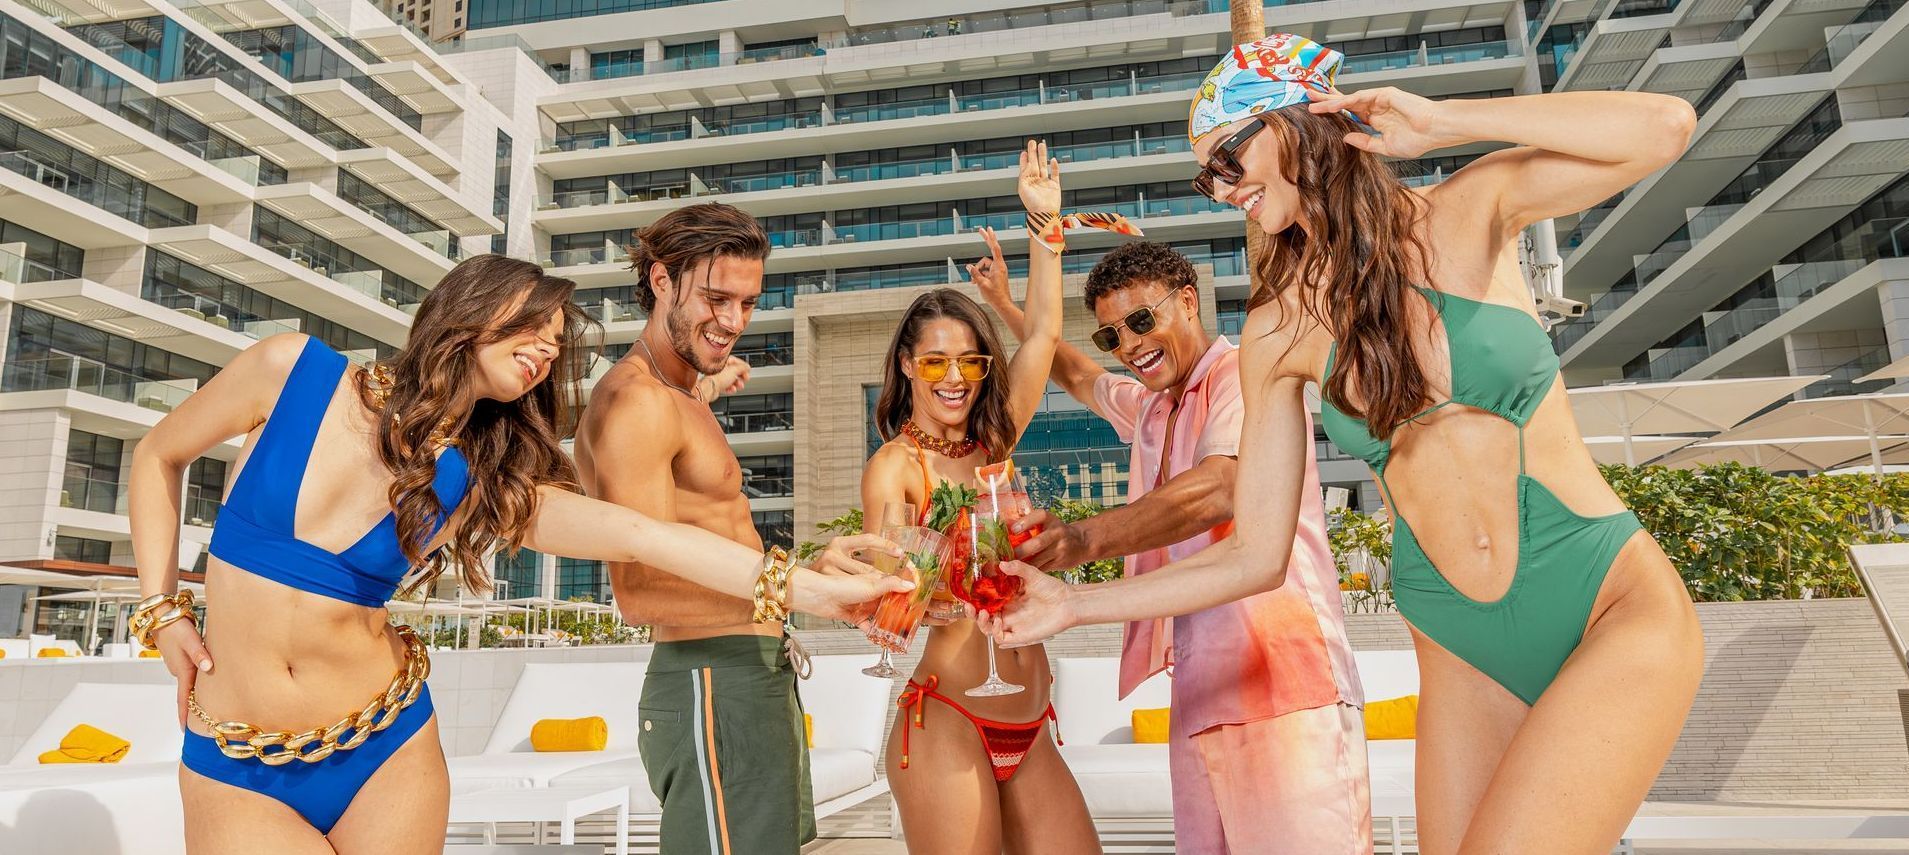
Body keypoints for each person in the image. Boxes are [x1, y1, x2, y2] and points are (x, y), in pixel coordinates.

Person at [982, 33, 1705, 855]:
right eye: (1207, 176)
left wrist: (1441, 123)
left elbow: (1663, 126)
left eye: (1227, 158)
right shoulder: (1277, 327)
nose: (1222, 190)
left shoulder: (1471, 209)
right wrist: (1075, 603)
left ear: (1297, 120)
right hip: (1458, 641)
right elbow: (1254, 551)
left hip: (1601, 595)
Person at [130, 254, 902, 854]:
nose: (545, 349)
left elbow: (642, 535)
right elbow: (157, 455)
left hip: (382, 747)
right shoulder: (291, 368)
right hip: (235, 755)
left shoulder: (472, 481)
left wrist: (811, 588)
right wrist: (162, 611)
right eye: (533, 325)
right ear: (470, 303)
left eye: (556, 344)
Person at [973, 237, 1368, 853]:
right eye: (1113, 336)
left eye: (1140, 321)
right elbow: (1076, 373)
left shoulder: (1245, 373)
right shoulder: (1155, 408)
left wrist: (1080, 540)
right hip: (1198, 691)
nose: (1129, 346)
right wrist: (1004, 302)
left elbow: (1220, 487)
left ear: (1187, 302)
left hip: (1283, 685)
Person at [857, 141, 1097, 853]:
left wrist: (1042, 224)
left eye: (970, 360)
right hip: (948, 714)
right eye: (935, 361)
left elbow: (1046, 331)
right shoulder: (895, 468)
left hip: (1030, 720)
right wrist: (943, 593)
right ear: (907, 365)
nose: (954, 377)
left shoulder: (995, 444)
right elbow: (888, 603)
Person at [574, 202, 825, 855]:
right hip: (712, 677)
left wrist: (716, 383)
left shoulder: (678, 393)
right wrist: (800, 588)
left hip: (747, 673)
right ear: (661, 280)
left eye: (747, 302)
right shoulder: (638, 402)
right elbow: (640, 590)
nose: (734, 320)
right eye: (716, 298)